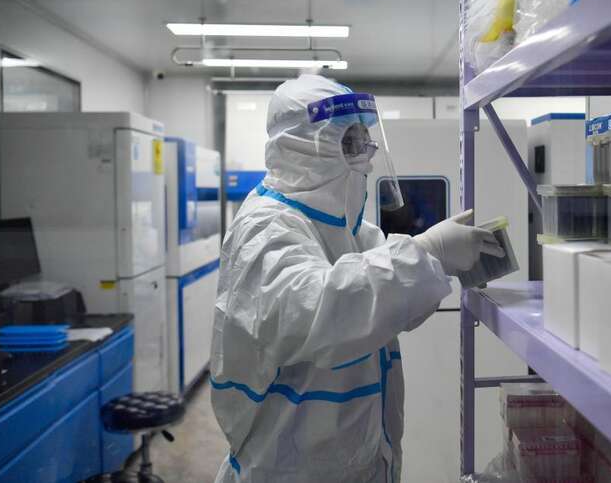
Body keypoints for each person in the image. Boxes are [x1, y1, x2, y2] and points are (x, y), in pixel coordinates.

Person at [210, 74, 504, 483]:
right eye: (350, 141)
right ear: (303, 147)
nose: (366, 153)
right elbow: (322, 311)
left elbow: (386, 305)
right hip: (287, 467)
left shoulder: (345, 228)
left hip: (352, 458)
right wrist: (428, 253)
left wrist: (440, 262)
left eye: (365, 139)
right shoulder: (265, 228)